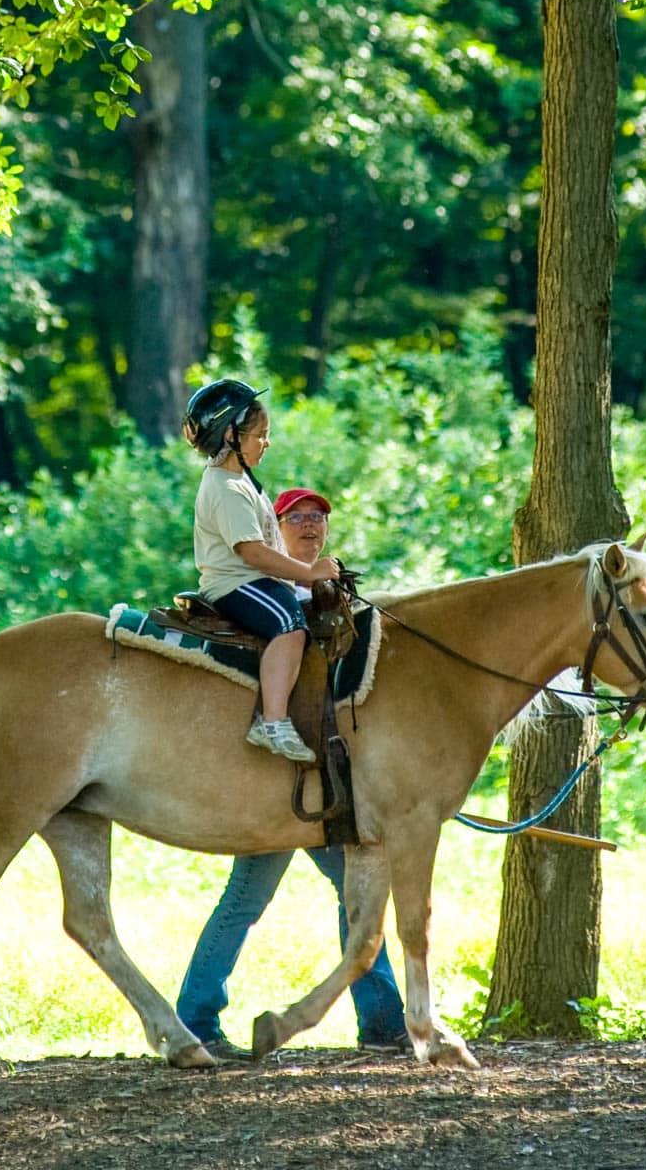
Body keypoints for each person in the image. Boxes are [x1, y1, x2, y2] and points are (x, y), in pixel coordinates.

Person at [174, 485, 409, 1057]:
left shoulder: (327, 600)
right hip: (279, 781)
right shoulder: (273, 600)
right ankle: (380, 1023)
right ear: (274, 529)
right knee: (282, 896)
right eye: (296, 518)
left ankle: (379, 1023)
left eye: (318, 518)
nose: (309, 526)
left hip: (317, 781)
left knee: (341, 888)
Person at [183, 379, 338, 763]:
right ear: (232, 435)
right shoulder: (226, 488)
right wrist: (309, 571)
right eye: (260, 435)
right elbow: (253, 554)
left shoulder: (241, 481)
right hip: (235, 583)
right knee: (289, 622)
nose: (266, 443)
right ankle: (272, 722)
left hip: (252, 579)